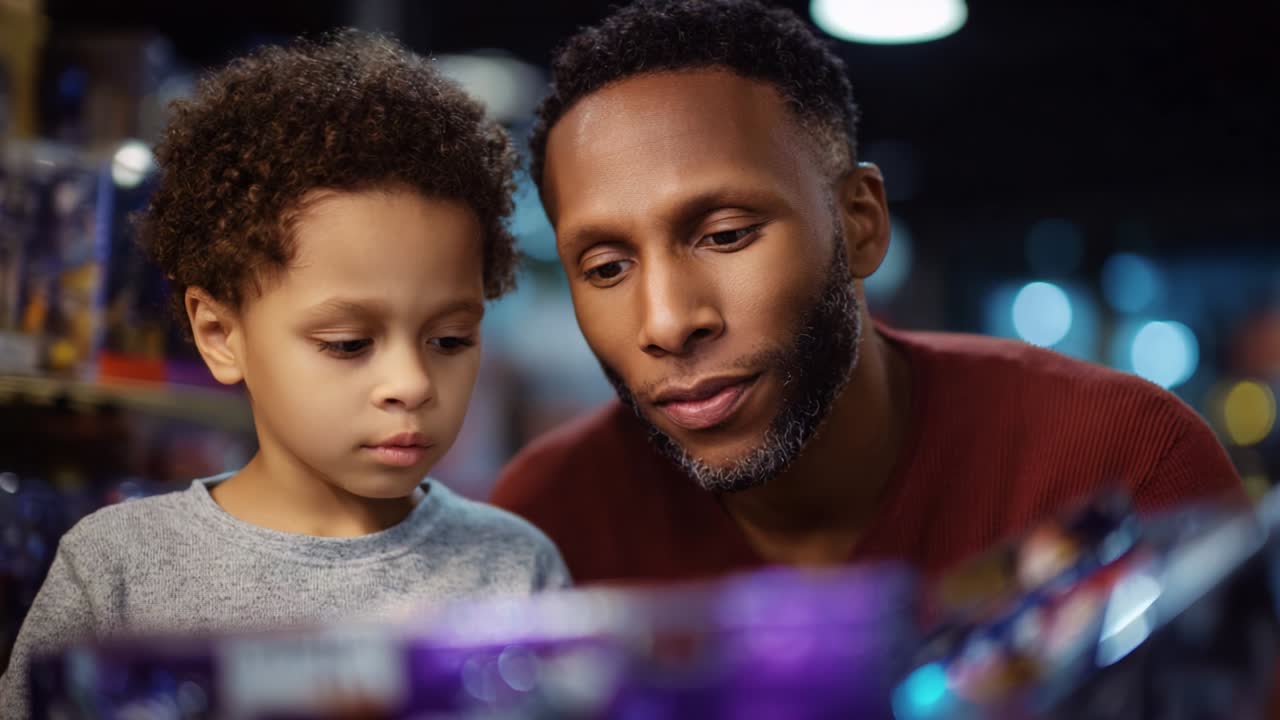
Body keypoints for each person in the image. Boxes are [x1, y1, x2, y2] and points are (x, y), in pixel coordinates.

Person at [490, 0, 1243, 584]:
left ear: (860, 225)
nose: (666, 321)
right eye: (607, 267)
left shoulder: (1122, 463)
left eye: (725, 235)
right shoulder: (542, 530)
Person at [1, 30, 567, 717]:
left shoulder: (515, 572)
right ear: (221, 334)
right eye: (349, 342)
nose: (412, 383)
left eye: (450, 339)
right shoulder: (117, 569)